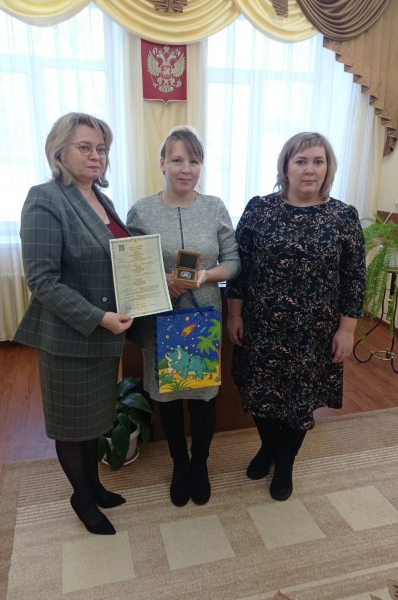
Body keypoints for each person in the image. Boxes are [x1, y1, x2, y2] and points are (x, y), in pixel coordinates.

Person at [226, 132, 365, 501]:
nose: (309, 169)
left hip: (314, 333)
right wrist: (234, 315)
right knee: (259, 393)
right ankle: (268, 447)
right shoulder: (259, 209)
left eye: (318, 161)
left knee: (300, 400)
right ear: (285, 167)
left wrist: (347, 330)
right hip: (261, 326)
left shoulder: (343, 217)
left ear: (328, 168)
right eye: (301, 161)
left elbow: (354, 278)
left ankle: (284, 462)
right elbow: (240, 268)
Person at [14, 112, 134, 535]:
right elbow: (42, 280)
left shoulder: (101, 198)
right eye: (85, 147)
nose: (96, 156)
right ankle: (81, 497)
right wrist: (99, 317)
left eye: (102, 148)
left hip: (105, 336)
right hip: (70, 335)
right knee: (71, 425)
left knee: (93, 420)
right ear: (59, 150)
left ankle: (94, 485)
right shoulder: (45, 198)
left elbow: (118, 256)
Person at [126, 126, 240, 507]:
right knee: (169, 397)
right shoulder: (141, 211)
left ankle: (200, 463)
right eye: (177, 159)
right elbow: (130, 265)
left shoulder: (215, 208)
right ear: (162, 164)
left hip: (202, 317)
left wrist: (206, 275)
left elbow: (234, 261)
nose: (185, 168)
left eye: (193, 160)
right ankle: (179, 464)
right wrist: (162, 280)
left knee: (204, 397)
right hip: (159, 319)